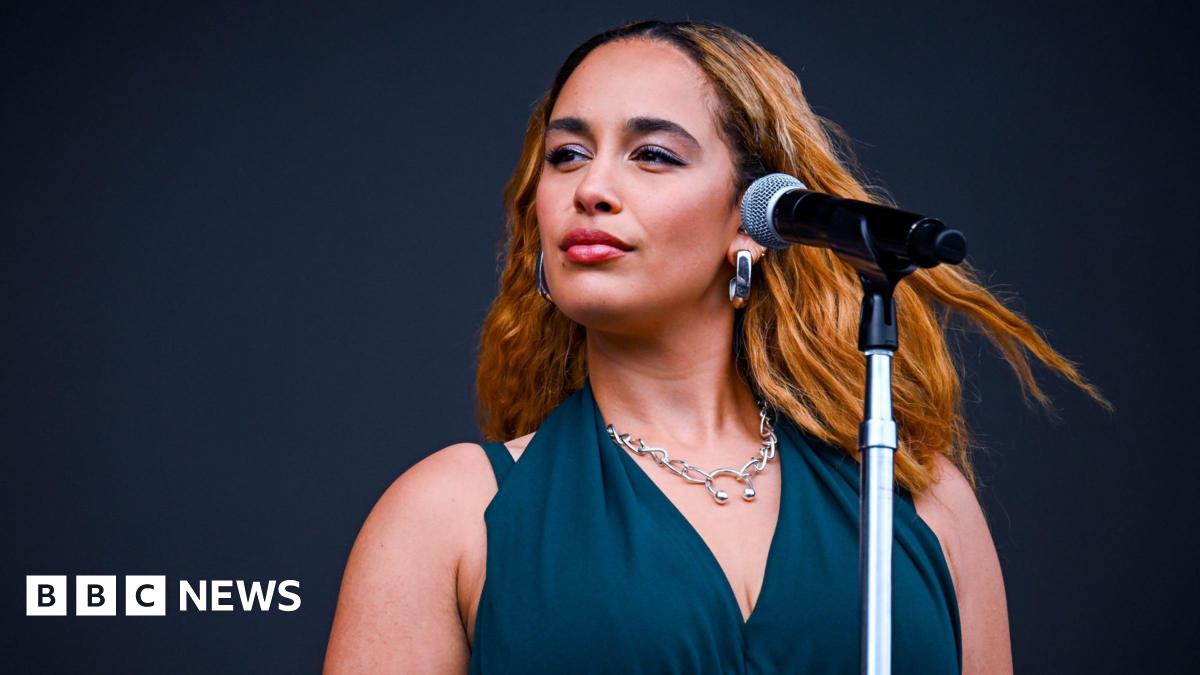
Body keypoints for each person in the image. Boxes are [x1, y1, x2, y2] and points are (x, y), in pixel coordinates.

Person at [323, 19, 1111, 674]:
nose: (590, 187)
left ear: (753, 220)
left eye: (653, 154)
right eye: (567, 154)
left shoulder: (920, 504)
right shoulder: (451, 515)